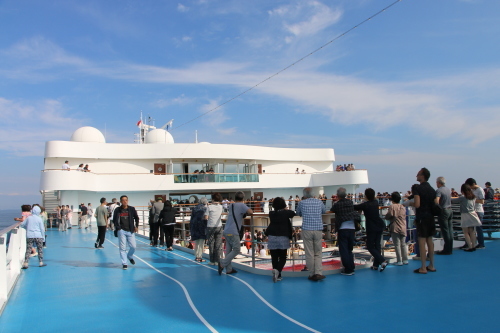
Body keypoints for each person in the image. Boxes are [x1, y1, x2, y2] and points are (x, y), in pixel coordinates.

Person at [218, 191, 253, 275]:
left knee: (229, 251)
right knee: (237, 249)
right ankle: (223, 263)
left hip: (226, 230)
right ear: (243, 198)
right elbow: (251, 212)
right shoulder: (242, 205)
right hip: (233, 231)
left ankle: (229, 269)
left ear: (235, 198)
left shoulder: (231, 205)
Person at [354, 188, 388, 272]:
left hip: (372, 227)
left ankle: (382, 260)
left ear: (366, 195)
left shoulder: (365, 204)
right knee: (377, 245)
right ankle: (376, 265)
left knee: (370, 246)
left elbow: (355, 207)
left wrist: (363, 201)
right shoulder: (375, 202)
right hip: (379, 225)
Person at [296, 187, 326, 281]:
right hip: (318, 229)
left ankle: (312, 273)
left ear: (304, 195)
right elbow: (324, 211)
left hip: (307, 229)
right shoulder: (319, 202)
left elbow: (298, 213)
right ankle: (318, 272)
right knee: (318, 252)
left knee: (309, 253)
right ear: (313, 194)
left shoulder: (301, 203)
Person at [412, 167, 437, 274]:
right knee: (430, 241)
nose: (416, 176)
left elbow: (417, 204)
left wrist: (409, 203)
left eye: (418, 174)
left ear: (422, 176)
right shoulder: (432, 189)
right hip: (431, 217)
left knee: (422, 242)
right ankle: (431, 265)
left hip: (422, 217)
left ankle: (423, 267)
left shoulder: (417, 188)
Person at [331, 187, 359, 276]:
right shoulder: (350, 202)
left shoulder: (337, 204)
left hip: (343, 229)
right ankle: (351, 267)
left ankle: (348, 269)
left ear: (338, 195)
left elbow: (332, 210)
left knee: (344, 250)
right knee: (349, 249)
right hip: (352, 228)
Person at [266, 197, 295, 282]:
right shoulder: (286, 213)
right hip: (283, 237)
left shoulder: (271, 213)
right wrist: (285, 209)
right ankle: (278, 271)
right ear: (283, 205)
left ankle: (277, 275)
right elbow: (293, 213)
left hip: (272, 236)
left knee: (274, 257)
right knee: (283, 257)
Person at [452, 184, 481, 252]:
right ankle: (474, 246)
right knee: (472, 232)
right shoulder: (473, 197)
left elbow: (453, 200)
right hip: (473, 214)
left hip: (465, 215)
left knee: (465, 232)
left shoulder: (462, 197)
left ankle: (470, 246)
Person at [113, 195, 140, 270]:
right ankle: (124, 263)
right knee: (122, 248)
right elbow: (115, 219)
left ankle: (130, 256)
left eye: (126, 200)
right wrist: (118, 228)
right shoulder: (117, 210)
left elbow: (136, 218)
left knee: (133, 246)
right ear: (121, 201)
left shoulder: (131, 209)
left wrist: (136, 226)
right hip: (121, 230)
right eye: (123, 200)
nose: (125, 201)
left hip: (130, 230)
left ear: (128, 201)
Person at [385, 192, 408, 265]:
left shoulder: (392, 206)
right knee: (403, 244)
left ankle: (399, 260)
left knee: (397, 244)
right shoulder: (402, 206)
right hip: (403, 226)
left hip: (395, 227)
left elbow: (389, 215)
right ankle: (405, 259)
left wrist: (386, 217)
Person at [465, 178, 485, 249]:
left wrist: (473, 199)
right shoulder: (473, 190)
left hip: (478, 211)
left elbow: (482, 201)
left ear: (473, 184)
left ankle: (481, 244)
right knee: (470, 228)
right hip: (472, 211)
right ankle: (469, 243)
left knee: (479, 228)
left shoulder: (480, 190)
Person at [435, 177, 453, 255]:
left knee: (445, 231)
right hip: (450, 210)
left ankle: (446, 250)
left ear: (439, 182)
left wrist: (437, 209)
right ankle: (450, 248)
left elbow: (436, 201)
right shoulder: (448, 189)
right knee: (450, 230)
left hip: (444, 211)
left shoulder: (439, 190)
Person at [204, 193, 223, 265]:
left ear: (213, 199)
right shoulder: (221, 207)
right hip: (219, 226)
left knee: (211, 244)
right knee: (218, 244)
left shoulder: (209, 207)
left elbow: (206, 217)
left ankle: (212, 261)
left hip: (210, 226)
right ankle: (217, 261)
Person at [190, 198, 208, 262]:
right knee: (201, 242)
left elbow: (191, 219)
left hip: (195, 226)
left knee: (197, 242)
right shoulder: (205, 208)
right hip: (202, 226)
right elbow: (206, 218)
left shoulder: (195, 208)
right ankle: (199, 257)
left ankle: (196, 256)